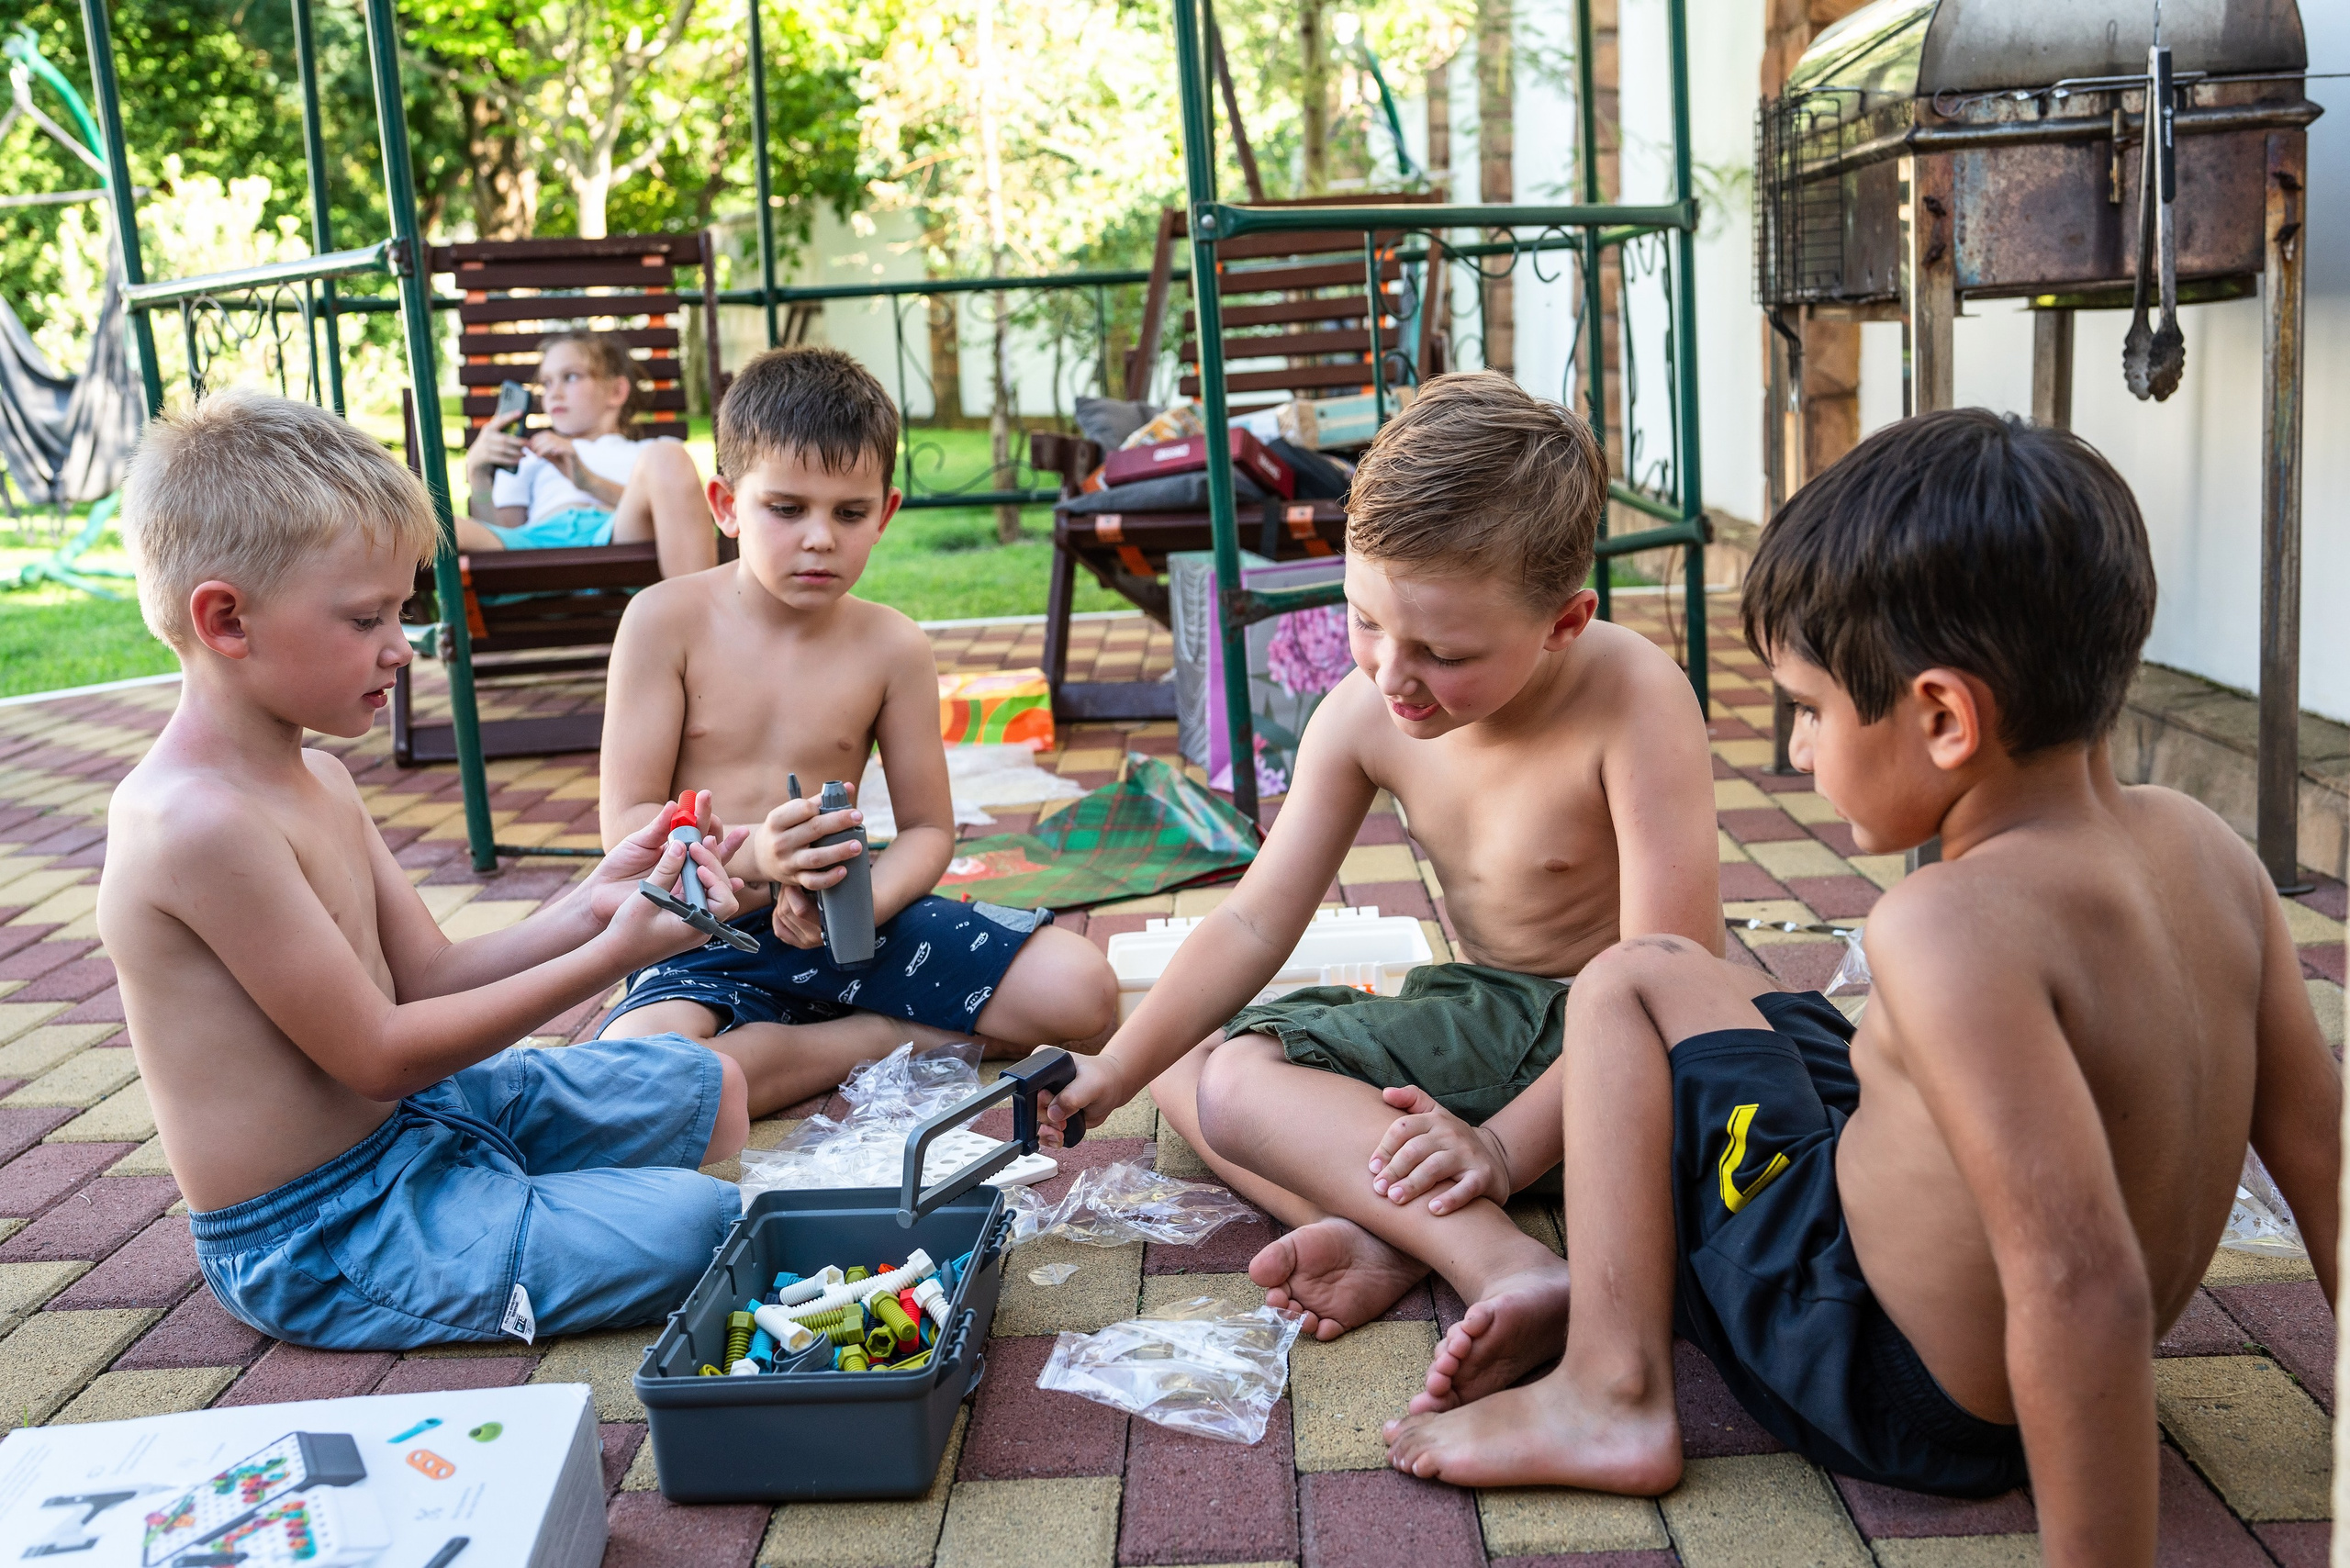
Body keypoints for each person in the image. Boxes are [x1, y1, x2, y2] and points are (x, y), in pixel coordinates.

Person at [1382, 409, 2344, 1562]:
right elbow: (2322, 1157)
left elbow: (2082, 1285)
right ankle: (1588, 1292)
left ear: (1941, 716)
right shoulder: (2208, 852)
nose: (1796, 752)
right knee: (1744, 999)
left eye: (1810, 709)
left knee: (1628, 984)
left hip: (1887, 1381)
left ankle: (1608, 1385)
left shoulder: (1946, 924)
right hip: (1981, 1349)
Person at [1038, 372, 1724, 1378]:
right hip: (1494, 1019)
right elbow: (1251, 925)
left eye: (1442, 650)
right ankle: (1387, 1228)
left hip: (1618, 1047)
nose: (1392, 672)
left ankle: (1501, 1262)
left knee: (1233, 1083)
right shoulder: (1365, 710)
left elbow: (1676, 979)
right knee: (1173, 1054)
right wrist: (1110, 1072)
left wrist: (1496, 1151)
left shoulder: (1633, 699)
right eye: (1365, 620)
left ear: (1563, 624)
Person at [101, 390, 757, 1350]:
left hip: (422, 1116)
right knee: (703, 1226)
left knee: (708, 1087)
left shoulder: (316, 773)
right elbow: (378, 1051)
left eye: (400, 610)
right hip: (326, 1225)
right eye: (368, 617)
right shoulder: (195, 824)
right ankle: (516, 1210)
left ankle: (517, 1199)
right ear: (227, 620)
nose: (400, 647)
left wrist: (592, 906)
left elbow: (430, 977)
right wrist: (612, 953)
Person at [596, 345, 1119, 1114]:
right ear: (726, 505)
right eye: (786, 508)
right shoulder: (663, 622)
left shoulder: (892, 646)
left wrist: (858, 906)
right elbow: (630, 826)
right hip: (705, 938)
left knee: (1086, 994)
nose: (820, 538)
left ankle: (816, 1045)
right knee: (632, 1079)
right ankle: (877, 1041)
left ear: (887, 512)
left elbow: (928, 832)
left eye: (849, 513)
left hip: (848, 927)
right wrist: (758, 856)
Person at [458, 331, 719, 577]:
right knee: (440, 524)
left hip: (617, 535)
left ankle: (698, 613)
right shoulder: (529, 456)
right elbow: (501, 535)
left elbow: (687, 520)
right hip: (534, 544)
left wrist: (589, 482)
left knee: (668, 457)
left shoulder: (648, 453)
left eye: (570, 377)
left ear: (616, 391)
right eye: (546, 383)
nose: (554, 393)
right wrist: (478, 475)